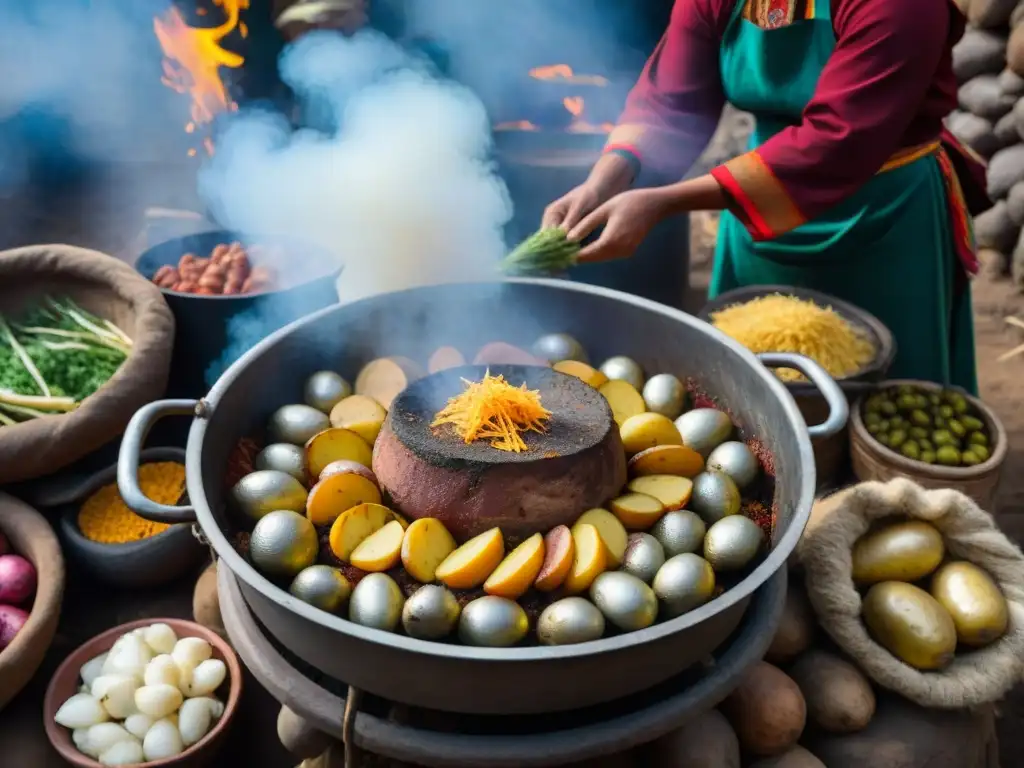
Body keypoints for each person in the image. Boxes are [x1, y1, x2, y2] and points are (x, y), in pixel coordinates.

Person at [544, 0, 988, 394]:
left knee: (890, 400)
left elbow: (836, 142)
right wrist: (605, 180)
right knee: (758, 404)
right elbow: (669, 102)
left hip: (883, 215)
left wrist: (663, 201)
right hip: (754, 198)